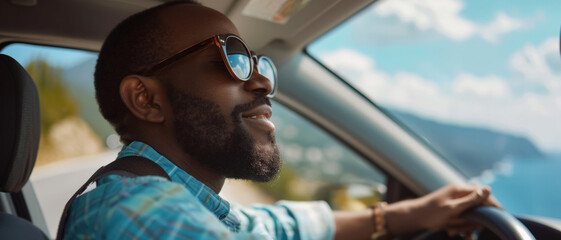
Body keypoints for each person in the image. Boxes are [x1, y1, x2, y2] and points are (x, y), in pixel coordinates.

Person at [61, 1, 500, 239]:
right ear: (146, 99)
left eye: (257, 63)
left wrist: (412, 214)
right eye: (230, 57)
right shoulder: (133, 212)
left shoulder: (193, 206)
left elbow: (273, 227)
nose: (261, 84)